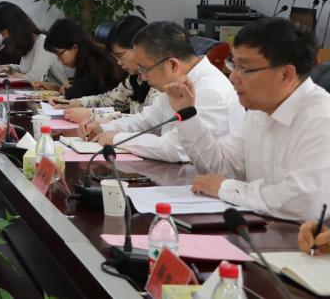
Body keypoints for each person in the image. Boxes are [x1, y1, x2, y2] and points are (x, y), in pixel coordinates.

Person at [165, 18, 330, 221]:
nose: (233, 77)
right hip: (264, 230)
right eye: (233, 64)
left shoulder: (321, 119)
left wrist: (226, 188)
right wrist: (187, 113)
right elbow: (219, 168)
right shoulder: (258, 111)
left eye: (245, 68)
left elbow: (306, 202)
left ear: (286, 75)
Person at [85, 21, 244, 163]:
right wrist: (104, 129)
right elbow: (147, 120)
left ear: (172, 65)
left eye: (144, 69)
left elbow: (178, 149)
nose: (143, 77)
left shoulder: (210, 90)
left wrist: (117, 138)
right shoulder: (178, 80)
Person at [57, 16, 159, 122]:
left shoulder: (159, 83)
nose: (119, 62)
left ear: (139, 48)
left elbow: (146, 123)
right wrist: (76, 103)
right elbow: (108, 100)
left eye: (121, 56)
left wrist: (93, 116)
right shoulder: (135, 79)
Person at [40, 19, 123, 99]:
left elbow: (74, 95)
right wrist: (56, 88)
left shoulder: (96, 62)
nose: (58, 59)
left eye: (60, 54)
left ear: (75, 48)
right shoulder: (87, 57)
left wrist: (66, 90)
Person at [0, 1, 66, 86]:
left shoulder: (42, 43)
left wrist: (11, 75)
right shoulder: (28, 43)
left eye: (3, 33)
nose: (3, 38)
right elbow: (26, 69)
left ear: (15, 28)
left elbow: (35, 78)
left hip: (57, 94)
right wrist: (9, 68)